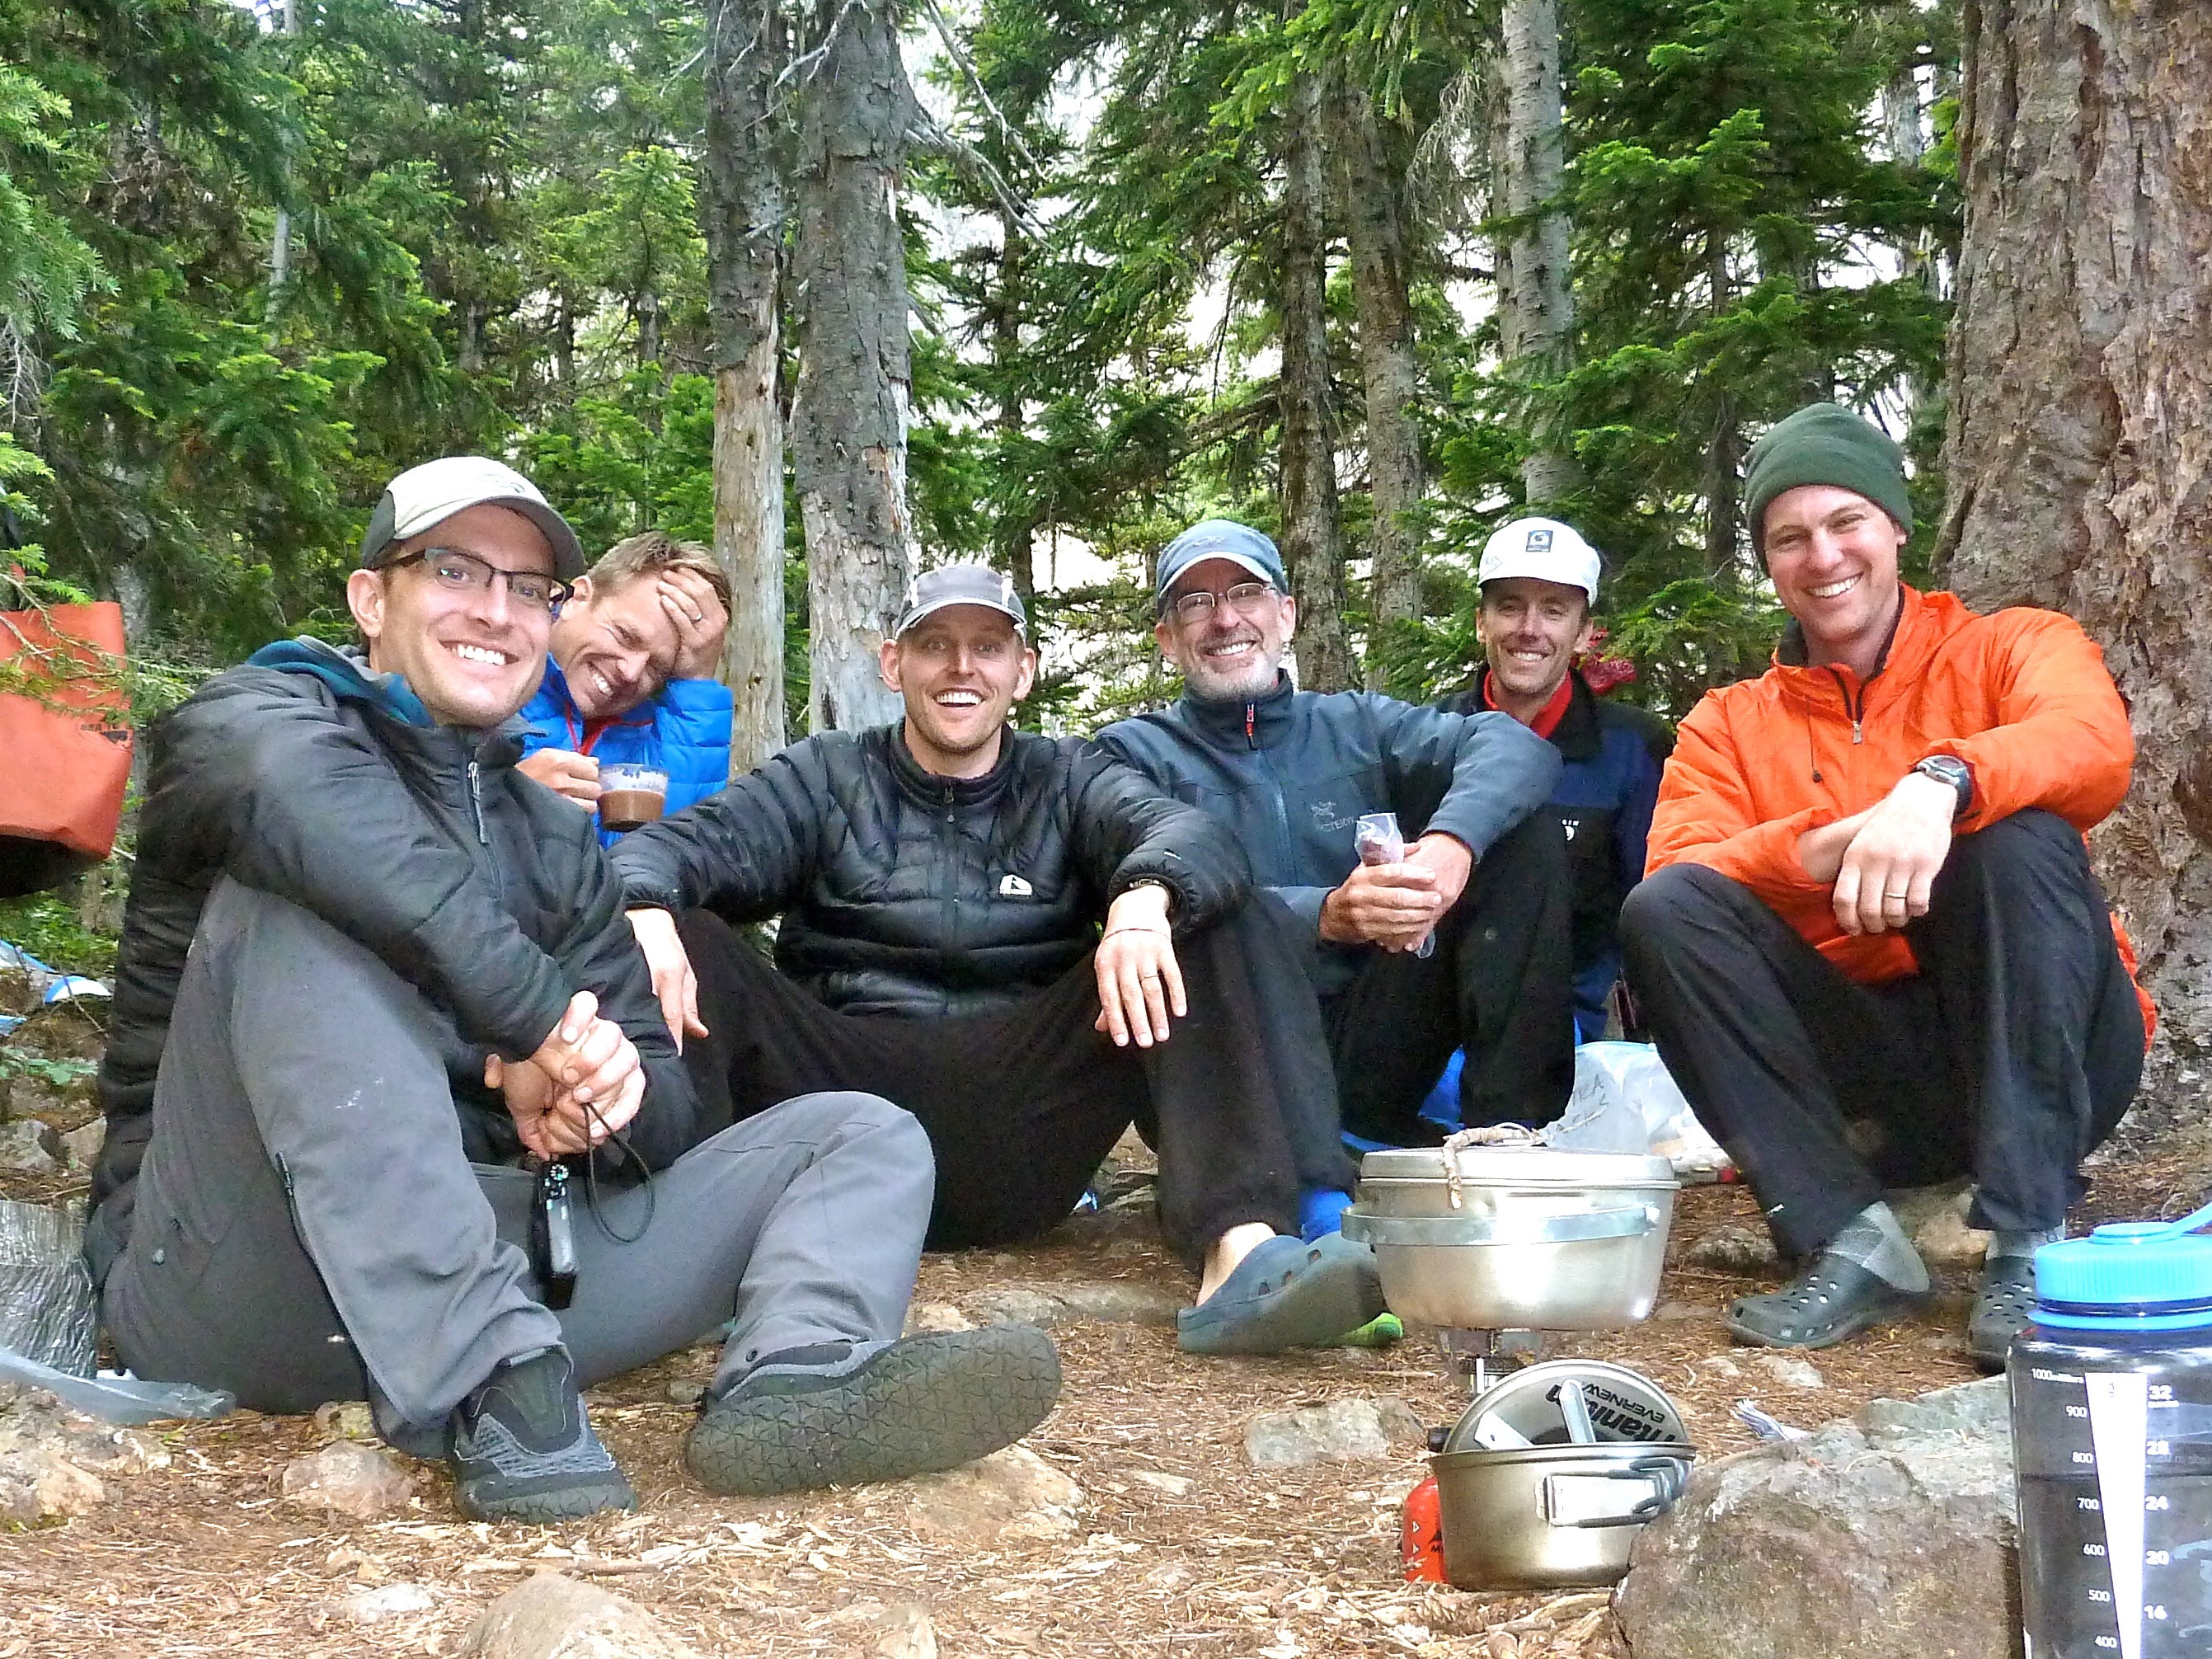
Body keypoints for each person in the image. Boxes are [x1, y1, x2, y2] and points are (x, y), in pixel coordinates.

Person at [85, 458, 1058, 1522]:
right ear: (373, 598)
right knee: (282, 909)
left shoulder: (554, 837)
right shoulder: (255, 726)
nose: (496, 612)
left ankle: (794, 1381)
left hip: (505, 1253)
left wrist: (601, 1100)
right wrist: (539, 1021)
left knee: (859, 1133)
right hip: (236, 1265)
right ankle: (498, 1383)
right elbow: (345, 843)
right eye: (455, 570)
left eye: (529, 589)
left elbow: (668, 1092)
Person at [615, 564, 1382, 1356]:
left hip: (1022, 1124)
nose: (961, 667)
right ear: (892, 665)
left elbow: (1193, 838)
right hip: (841, 1120)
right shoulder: (826, 776)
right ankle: (662, 1244)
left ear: (1024, 671)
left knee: (1215, 914)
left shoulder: (1067, 777)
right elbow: (678, 845)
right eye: (935, 645)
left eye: (988, 647)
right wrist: (645, 905)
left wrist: (1143, 897)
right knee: (678, 932)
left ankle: (1242, 1250)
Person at [1619, 402, 2153, 1366]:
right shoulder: (1729, 723)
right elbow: (1682, 870)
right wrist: (1831, 845)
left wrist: (1942, 782)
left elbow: (2093, 745)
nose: (1822, 557)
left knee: (2016, 835)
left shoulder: (2010, 645)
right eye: (1789, 538)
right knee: (1663, 912)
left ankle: (2029, 1235)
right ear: (1770, 563)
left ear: (1895, 526)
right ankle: (1848, 1238)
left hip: (2055, 1049)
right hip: (1866, 1083)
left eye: (1845, 522)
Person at [1097, 519, 1576, 1163]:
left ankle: (1507, 1143)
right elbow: (1149, 887)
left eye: (1246, 593)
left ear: (1285, 615)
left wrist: (1448, 847)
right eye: (1195, 603)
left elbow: (1513, 747)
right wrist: (1326, 916)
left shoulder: (1355, 724)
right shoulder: (1129, 755)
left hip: (1367, 1043)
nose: (1225, 619)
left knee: (1519, 833)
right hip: (1226, 1061)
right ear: (1167, 640)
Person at [1437, 517, 1674, 1042]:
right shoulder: (1427, 737)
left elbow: (1650, 902)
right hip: (1438, 1017)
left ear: (1585, 633)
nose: (1530, 628)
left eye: (1554, 610)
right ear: (1482, 622)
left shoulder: (1634, 749)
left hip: (1577, 1023)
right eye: (1510, 606)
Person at [516, 531, 734, 838]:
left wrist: (695, 684)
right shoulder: (488, 672)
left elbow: (671, 863)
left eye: (656, 667)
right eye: (625, 636)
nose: (631, 673)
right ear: (577, 597)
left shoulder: (649, 736)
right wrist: (504, 799)